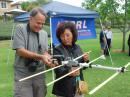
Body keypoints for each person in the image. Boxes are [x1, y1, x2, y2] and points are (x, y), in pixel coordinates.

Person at [12, 7, 55, 97]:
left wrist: (48, 59)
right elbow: (20, 51)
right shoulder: (20, 28)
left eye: (42, 24)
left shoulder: (44, 33)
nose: (40, 26)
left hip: (39, 73)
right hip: (23, 73)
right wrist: (41, 57)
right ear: (30, 19)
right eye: (38, 23)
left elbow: (45, 52)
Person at [52, 21, 89, 97]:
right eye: (62, 36)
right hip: (65, 89)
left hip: (80, 85)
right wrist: (69, 71)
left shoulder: (77, 47)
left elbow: (83, 67)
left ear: (73, 34)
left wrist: (86, 60)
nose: (65, 38)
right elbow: (58, 70)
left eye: (67, 35)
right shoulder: (57, 50)